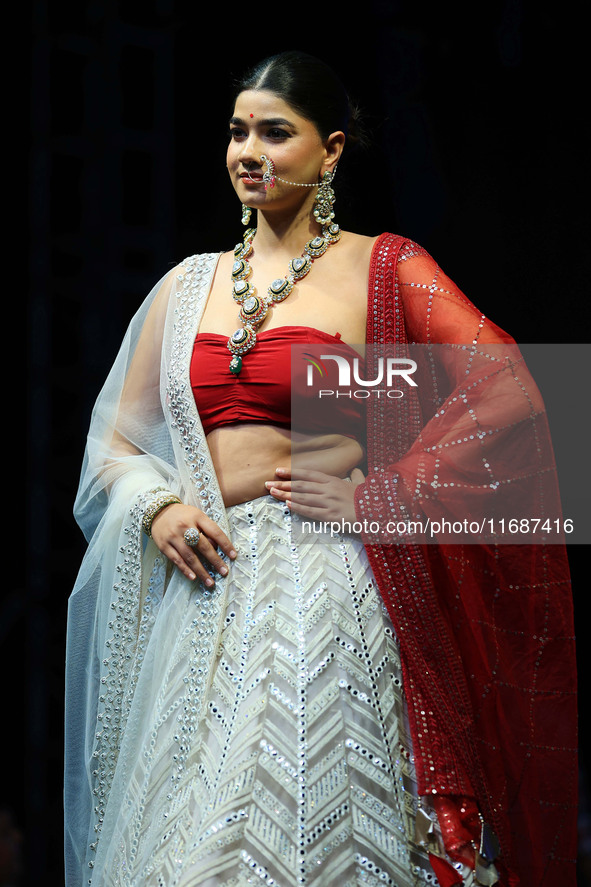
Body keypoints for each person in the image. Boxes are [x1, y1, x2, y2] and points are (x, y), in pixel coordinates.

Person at [65, 51, 577, 887]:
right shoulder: (186, 287)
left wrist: (383, 491)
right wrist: (154, 504)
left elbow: (509, 386)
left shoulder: (379, 267)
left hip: (323, 580)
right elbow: (112, 444)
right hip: (199, 592)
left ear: (330, 150)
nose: (249, 151)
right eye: (237, 132)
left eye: (276, 131)